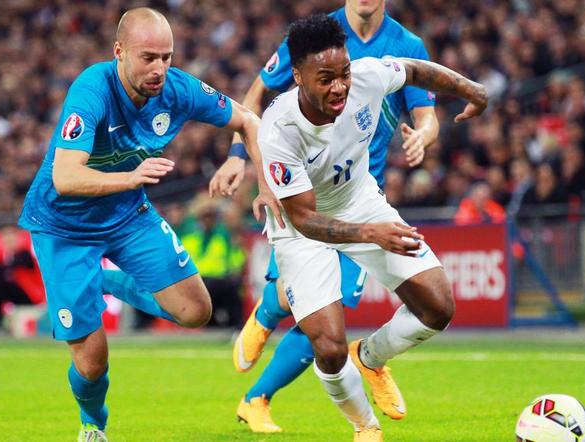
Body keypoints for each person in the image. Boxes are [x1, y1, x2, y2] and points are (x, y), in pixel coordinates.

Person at [17, 8, 278, 441]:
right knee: (92, 361)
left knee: (197, 311)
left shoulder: (178, 89)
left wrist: (256, 178)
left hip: (126, 216)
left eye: (166, 57)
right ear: (119, 52)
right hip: (63, 225)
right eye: (148, 58)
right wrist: (131, 177)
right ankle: (93, 424)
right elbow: (65, 177)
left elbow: (248, 120)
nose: (159, 69)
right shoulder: (92, 90)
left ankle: (105, 282)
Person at [208, 0, 440, 432]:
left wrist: (422, 137)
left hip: (357, 190)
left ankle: (260, 389)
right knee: (314, 315)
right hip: (299, 195)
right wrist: (241, 156)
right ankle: (266, 324)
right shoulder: (315, 37)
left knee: (327, 320)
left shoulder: (407, 44)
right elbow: (256, 95)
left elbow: (426, 113)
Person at [256, 15, 486, 440]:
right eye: (325, 78)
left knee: (438, 307)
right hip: (299, 227)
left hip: (359, 202)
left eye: (343, 73)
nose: (340, 86)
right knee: (326, 346)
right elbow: (304, 218)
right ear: (297, 76)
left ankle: (371, 356)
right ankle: (365, 426)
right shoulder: (279, 129)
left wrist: (473, 91)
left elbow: (416, 70)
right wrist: (369, 234)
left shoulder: (366, 77)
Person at [181, 200, 246, 328]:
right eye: (205, 217)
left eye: (211, 216)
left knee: (232, 288)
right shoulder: (190, 238)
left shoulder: (224, 236)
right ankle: (209, 325)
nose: (208, 220)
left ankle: (235, 325)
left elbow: (236, 257)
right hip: (199, 280)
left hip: (221, 279)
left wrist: (235, 270)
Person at [0, 225, 42, 334]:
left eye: (11, 239)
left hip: (30, 295)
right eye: (6, 239)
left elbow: (10, 267)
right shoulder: (1, 257)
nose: (9, 242)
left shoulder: (24, 254)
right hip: (13, 294)